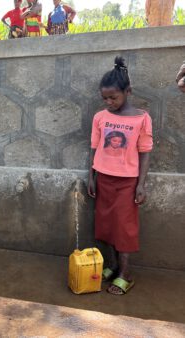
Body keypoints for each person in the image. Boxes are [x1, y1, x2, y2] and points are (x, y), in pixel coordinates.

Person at [87, 57, 153, 295]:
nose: (108, 102)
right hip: (104, 178)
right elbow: (95, 149)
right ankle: (114, 266)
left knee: (124, 228)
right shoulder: (100, 117)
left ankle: (126, 273)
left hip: (127, 182)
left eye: (113, 97)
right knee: (106, 225)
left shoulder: (141, 118)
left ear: (128, 92)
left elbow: (145, 152)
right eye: (104, 98)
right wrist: (91, 176)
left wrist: (141, 184)